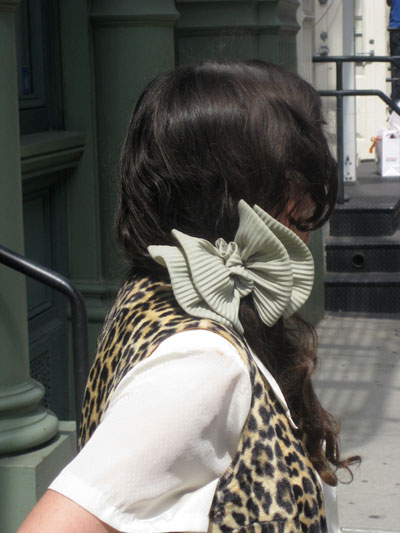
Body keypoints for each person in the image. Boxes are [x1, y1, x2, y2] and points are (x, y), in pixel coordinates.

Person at [19, 61, 358, 533]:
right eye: (294, 183)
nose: (305, 206)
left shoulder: (154, 290)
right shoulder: (203, 361)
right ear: (234, 193)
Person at [388, 0, 400, 102]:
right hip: (395, 28)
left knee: (396, 65)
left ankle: (396, 99)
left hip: (395, 27)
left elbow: (389, 2)